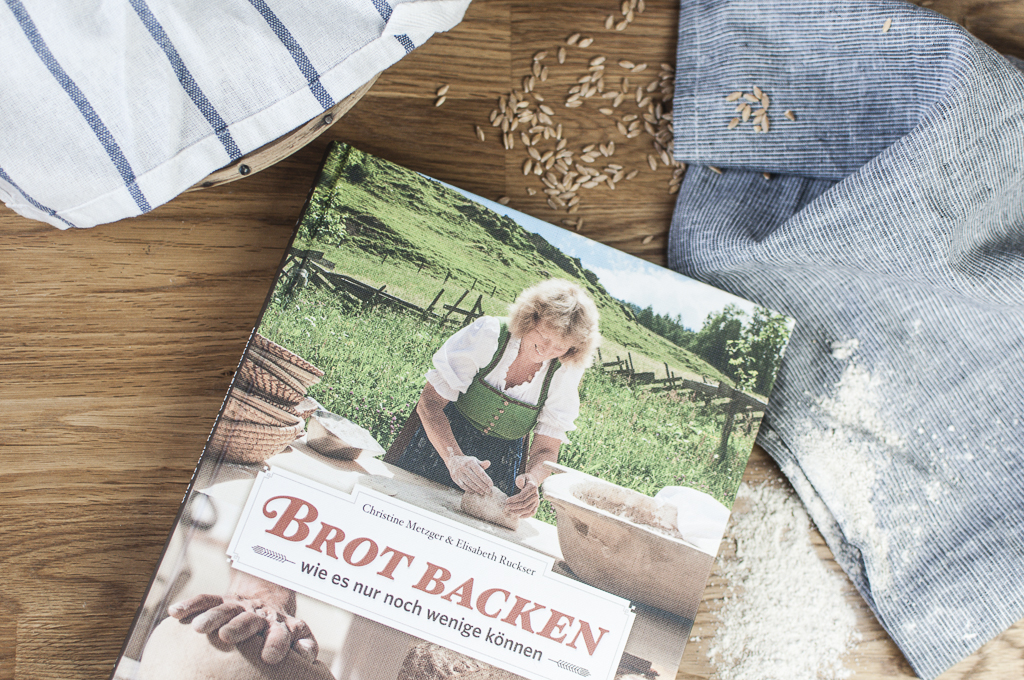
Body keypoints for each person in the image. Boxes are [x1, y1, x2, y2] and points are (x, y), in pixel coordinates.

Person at [393, 278, 600, 518]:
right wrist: (455, 459)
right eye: (543, 335)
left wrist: (533, 480)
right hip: (440, 444)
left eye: (560, 347)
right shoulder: (489, 335)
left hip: (501, 466)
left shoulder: (564, 372)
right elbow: (429, 404)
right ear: (529, 318)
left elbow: (545, 448)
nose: (546, 350)